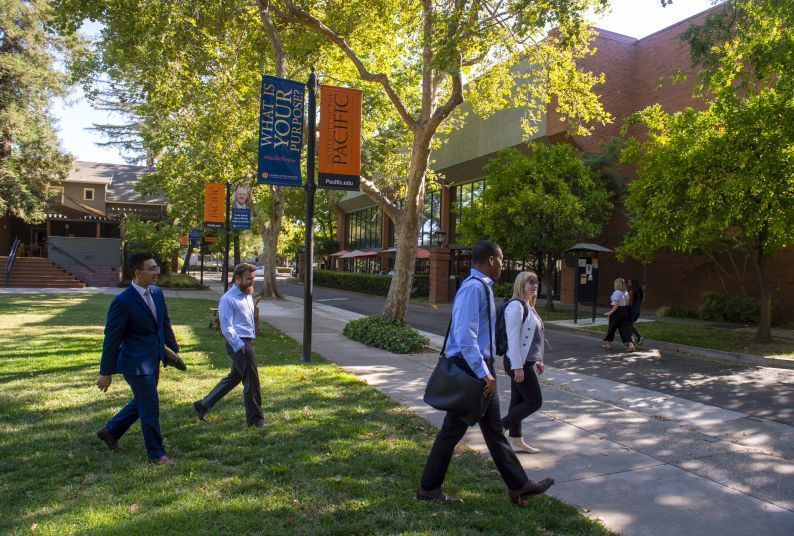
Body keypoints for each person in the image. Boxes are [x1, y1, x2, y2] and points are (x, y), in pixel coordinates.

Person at [417, 240, 554, 506]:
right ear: (491, 260)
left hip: (480, 367)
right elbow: (464, 336)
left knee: (492, 430)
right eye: (501, 259)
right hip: (473, 369)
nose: (503, 264)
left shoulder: (483, 288)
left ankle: (518, 485)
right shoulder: (473, 289)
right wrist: (484, 372)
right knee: (451, 432)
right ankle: (428, 488)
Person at [96, 252, 180, 465]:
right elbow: (112, 338)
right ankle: (156, 453)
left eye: (157, 267)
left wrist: (173, 352)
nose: (157, 272)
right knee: (150, 406)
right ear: (137, 273)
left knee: (143, 402)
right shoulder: (122, 302)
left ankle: (110, 431)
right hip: (135, 364)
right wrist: (106, 371)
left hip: (153, 360)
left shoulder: (158, 293)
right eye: (152, 268)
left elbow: (164, 324)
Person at [193, 263, 266, 428]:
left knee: (234, 378)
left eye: (253, 279)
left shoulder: (247, 294)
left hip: (246, 341)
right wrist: (240, 346)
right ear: (238, 278)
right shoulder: (228, 299)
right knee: (252, 382)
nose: (251, 282)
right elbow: (227, 327)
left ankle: (203, 404)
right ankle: (255, 420)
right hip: (239, 343)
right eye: (248, 279)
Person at [502, 271, 545, 454]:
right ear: (521, 285)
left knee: (517, 401)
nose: (534, 286)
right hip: (516, 362)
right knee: (534, 401)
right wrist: (517, 367)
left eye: (536, 282)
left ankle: (517, 439)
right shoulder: (515, 307)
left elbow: (535, 337)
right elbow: (513, 339)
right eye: (530, 283)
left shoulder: (529, 306)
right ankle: (499, 428)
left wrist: (539, 359)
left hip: (526, 361)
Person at [601, 278, 635, 351]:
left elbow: (616, 304)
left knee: (612, 327)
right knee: (625, 328)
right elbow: (627, 303)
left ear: (617, 284)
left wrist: (610, 312)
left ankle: (608, 344)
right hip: (624, 310)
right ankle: (631, 345)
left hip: (617, 312)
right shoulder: (626, 292)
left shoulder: (616, 292)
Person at [627, 278, 644, 345]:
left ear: (632, 284)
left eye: (629, 282)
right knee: (629, 325)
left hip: (632, 311)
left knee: (628, 325)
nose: (628, 284)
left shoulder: (632, 292)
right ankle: (633, 340)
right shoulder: (639, 292)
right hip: (637, 310)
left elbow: (630, 303)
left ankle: (638, 338)